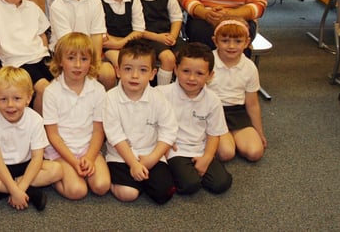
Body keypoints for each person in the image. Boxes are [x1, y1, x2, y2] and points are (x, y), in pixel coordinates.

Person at [102, 39, 178, 204]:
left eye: (143, 70)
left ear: (152, 74)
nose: (135, 76)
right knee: (128, 194)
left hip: (150, 153)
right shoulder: (110, 98)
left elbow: (169, 131)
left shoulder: (158, 98)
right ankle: (124, 182)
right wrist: (133, 164)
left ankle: (141, 180)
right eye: (128, 69)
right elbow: (115, 135)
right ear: (118, 70)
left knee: (163, 194)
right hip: (121, 157)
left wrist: (152, 159)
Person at [0, 66, 62, 211]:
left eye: (17, 98)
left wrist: (18, 188)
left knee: (57, 170)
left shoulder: (35, 119)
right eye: (3, 99)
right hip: (0, 167)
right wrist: (16, 191)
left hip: (27, 165)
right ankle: (29, 191)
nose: (10, 105)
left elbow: (37, 158)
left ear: (28, 98)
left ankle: (5, 190)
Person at [157, 42, 232, 195]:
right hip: (174, 150)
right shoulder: (161, 94)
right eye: (186, 71)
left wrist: (206, 158)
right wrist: (162, 144)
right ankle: (182, 174)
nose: (191, 78)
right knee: (190, 186)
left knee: (221, 184)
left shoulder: (213, 100)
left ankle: (192, 172)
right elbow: (150, 124)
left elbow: (214, 134)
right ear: (176, 70)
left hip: (200, 148)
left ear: (210, 75)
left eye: (199, 73)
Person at [43, 32, 111, 200]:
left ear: (92, 62)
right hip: (61, 151)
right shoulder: (52, 91)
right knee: (77, 191)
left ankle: (80, 169)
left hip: (87, 148)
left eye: (84, 59)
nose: (78, 65)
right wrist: (73, 162)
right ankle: (55, 175)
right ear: (60, 61)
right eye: (71, 58)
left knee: (102, 186)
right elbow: (52, 134)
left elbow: (98, 131)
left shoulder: (98, 90)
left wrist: (89, 157)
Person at [49, 0, 116, 89]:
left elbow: (97, 35)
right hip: (66, 55)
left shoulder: (95, 1)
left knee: (107, 74)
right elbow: (67, 43)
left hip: (90, 54)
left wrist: (94, 65)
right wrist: (83, 65)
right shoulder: (57, 6)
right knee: (76, 79)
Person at [207, 18, 267, 162]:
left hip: (237, 112)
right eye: (225, 41)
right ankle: (226, 138)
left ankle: (233, 135)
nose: (231, 46)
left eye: (238, 41)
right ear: (215, 41)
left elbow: (252, 103)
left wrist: (259, 132)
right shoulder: (208, 61)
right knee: (226, 153)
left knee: (255, 153)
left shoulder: (250, 67)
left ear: (247, 42)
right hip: (213, 113)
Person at [133, 0, 185, 85]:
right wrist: (158, 37)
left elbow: (177, 16)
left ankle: (181, 89)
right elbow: (134, 27)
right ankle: (163, 92)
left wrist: (173, 36)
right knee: (168, 58)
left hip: (167, 36)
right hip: (146, 38)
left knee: (186, 57)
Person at [97, 0, 145, 71]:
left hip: (131, 44)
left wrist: (121, 43)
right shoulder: (97, 1)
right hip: (107, 48)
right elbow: (102, 35)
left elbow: (139, 30)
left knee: (143, 63)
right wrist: (117, 44)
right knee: (123, 63)